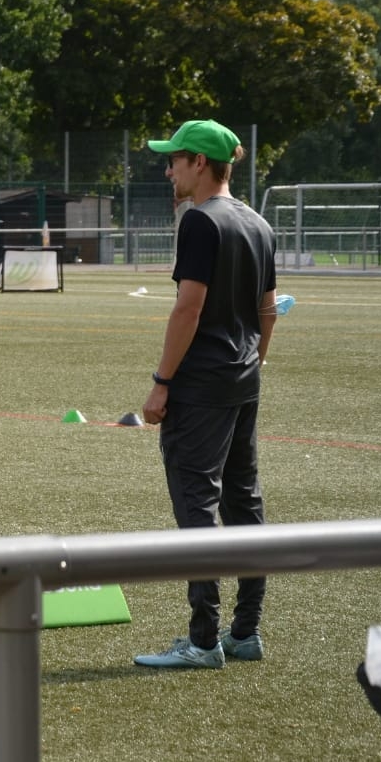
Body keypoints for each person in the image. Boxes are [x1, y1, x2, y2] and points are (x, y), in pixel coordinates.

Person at [135, 119, 277, 670]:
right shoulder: (258, 222)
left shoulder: (199, 221)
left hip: (200, 387)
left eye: (174, 159)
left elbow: (188, 308)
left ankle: (202, 640)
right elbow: (268, 311)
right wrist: (251, 365)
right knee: (245, 500)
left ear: (199, 162)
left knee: (197, 505)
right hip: (243, 380)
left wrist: (162, 382)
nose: (168, 170)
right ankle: (246, 632)